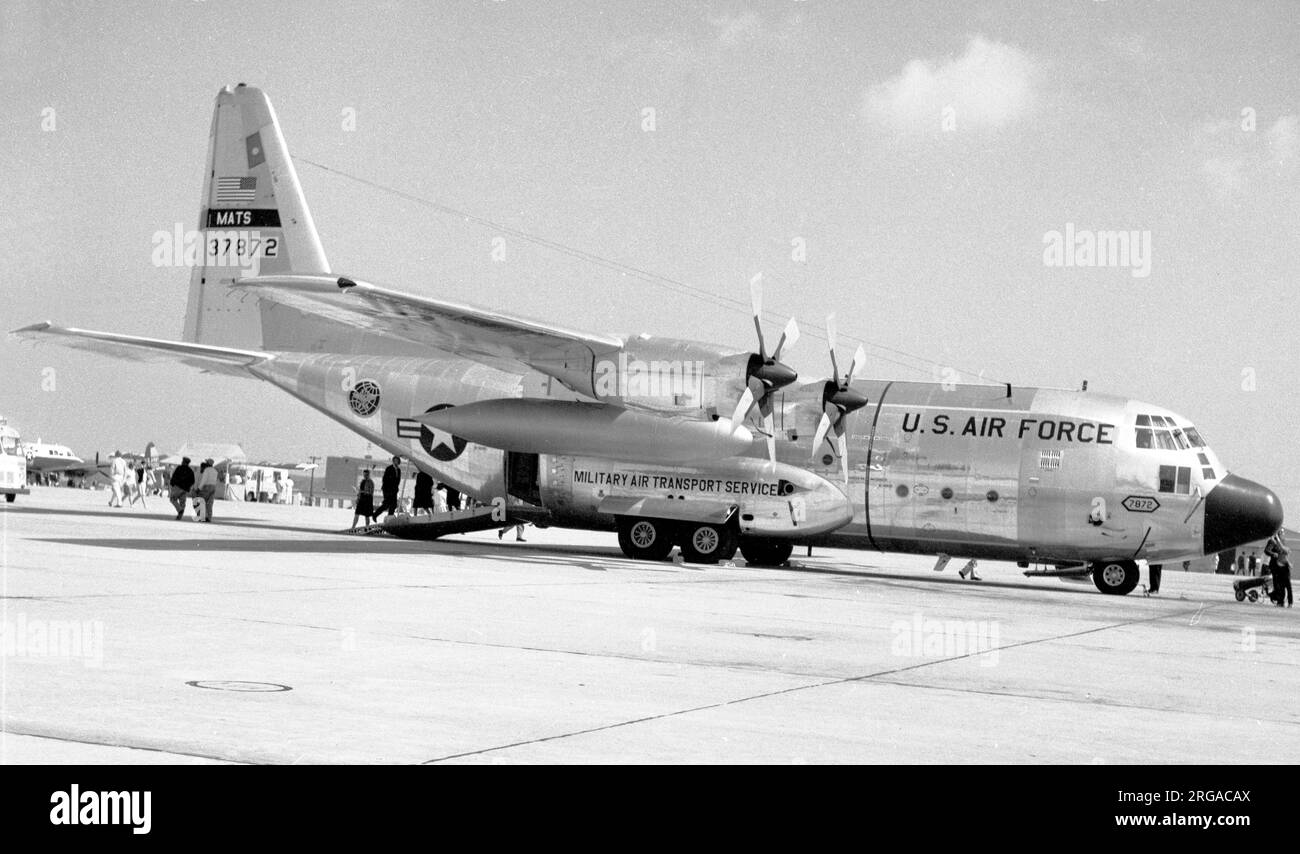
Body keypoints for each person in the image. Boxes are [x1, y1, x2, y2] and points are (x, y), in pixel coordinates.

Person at [1265, 532, 1292, 607]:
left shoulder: (1282, 545)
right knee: (1279, 586)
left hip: (1282, 567)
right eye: (1281, 534)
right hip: (1276, 566)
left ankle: (1285, 602)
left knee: (1284, 585)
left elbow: (1283, 548)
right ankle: (1280, 602)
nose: (1282, 535)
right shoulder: (1273, 541)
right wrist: (1273, 554)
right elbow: (1267, 550)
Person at [376, 456, 402, 520]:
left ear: (398, 462)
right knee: (387, 504)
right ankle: (375, 515)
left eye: (397, 461)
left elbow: (398, 480)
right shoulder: (389, 468)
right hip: (387, 489)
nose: (396, 462)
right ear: (393, 461)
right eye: (395, 460)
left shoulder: (398, 470)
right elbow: (384, 479)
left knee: (393, 505)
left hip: (394, 490)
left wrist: (396, 488)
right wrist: (387, 488)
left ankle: (390, 517)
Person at [196, 458, 219, 522]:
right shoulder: (215, 471)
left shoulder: (206, 470)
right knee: (210, 503)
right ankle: (209, 517)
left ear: (208, 463)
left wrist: (199, 488)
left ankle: (202, 517)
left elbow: (204, 480)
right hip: (213, 487)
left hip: (206, 487)